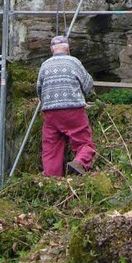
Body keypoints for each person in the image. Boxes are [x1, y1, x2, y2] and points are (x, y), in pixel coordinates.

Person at [36, 34, 96, 176]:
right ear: (68, 49)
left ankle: (51, 177)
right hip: (73, 109)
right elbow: (88, 84)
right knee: (83, 142)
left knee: (51, 148)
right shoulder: (74, 62)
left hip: (50, 112)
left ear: (52, 50)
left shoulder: (44, 65)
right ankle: (80, 162)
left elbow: (39, 90)